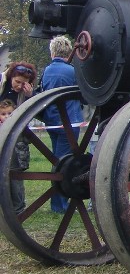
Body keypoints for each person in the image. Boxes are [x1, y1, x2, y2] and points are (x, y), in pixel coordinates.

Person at [41, 36, 84, 213]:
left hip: (51, 121)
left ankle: (58, 203)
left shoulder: (47, 71)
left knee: (57, 161)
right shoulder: (72, 72)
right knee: (64, 164)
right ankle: (59, 206)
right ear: (69, 52)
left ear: (52, 52)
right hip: (69, 122)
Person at [0, 99, 29, 215]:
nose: (7, 117)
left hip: (17, 161)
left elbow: (27, 140)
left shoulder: (20, 125)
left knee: (16, 186)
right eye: (3, 114)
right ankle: (5, 209)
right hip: (3, 163)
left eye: (10, 114)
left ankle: (19, 209)